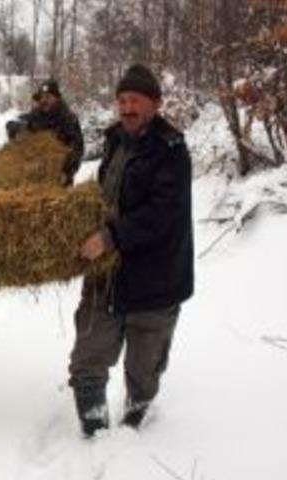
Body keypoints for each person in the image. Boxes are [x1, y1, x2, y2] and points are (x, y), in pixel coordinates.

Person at [69, 64, 194, 436]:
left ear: (154, 103)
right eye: (122, 100)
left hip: (156, 276)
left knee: (144, 366)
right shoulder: (115, 140)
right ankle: (93, 431)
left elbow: (162, 213)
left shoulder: (171, 150)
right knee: (89, 355)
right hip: (109, 273)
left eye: (135, 100)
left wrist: (108, 238)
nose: (127, 107)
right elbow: (108, 193)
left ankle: (136, 419)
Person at [9, 79, 84, 185]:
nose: (44, 100)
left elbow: (77, 149)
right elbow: (20, 122)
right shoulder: (35, 115)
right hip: (34, 177)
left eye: (48, 97)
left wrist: (66, 172)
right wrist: (16, 128)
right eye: (41, 97)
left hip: (58, 179)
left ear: (57, 98)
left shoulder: (68, 119)